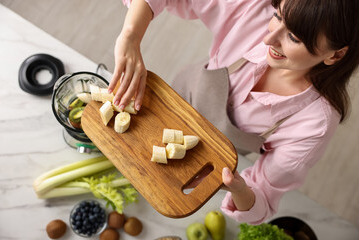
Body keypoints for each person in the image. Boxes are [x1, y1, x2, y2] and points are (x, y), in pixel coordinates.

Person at [108, 0, 359, 224]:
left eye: (294, 38)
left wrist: (239, 188)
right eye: (278, 17)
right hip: (174, 97)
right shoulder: (253, 8)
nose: (268, 39)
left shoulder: (314, 124)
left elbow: (262, 200)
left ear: (335, 54)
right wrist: (130, 36)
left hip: (199, 162)